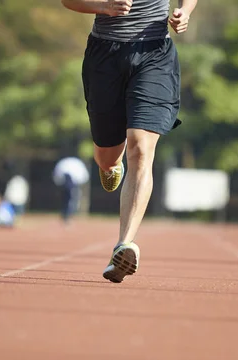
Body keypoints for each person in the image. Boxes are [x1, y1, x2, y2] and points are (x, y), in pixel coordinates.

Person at [61, 0, 197, 282]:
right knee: (107, 157)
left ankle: (124, 244)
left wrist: (186, 12)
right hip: (105, 55)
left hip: (154, 53)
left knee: (141, 148)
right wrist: (104, 6)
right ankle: (112, 164)